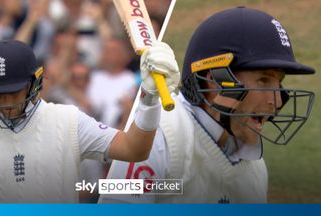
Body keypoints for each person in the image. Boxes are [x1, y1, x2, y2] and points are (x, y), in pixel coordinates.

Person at [99, 7, 315, 203]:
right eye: (264, 81)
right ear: (215, 80)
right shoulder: (156, 136)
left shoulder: (255, 171)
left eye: (279, 84)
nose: (276, 101)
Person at [0, 39, 179, 203]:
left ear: (35, 84)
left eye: (14, 92)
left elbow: (134, 149)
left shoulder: (67, 121)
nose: (5, 102)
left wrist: (149, 98)